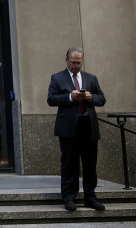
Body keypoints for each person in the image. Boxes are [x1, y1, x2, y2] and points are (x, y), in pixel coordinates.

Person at [47, 47, 106, 212]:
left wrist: (90, 97)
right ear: (66, 60)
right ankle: (69, 198)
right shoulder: (57, 78)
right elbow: (51, 99)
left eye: (79, 63)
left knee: (90, 165)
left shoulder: (91, 78)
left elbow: (102, 99)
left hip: (89, 126)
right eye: (73, 63)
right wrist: (69, 97)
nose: (76, 66)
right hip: (68, 128)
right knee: (69, 164)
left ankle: (90, 197)